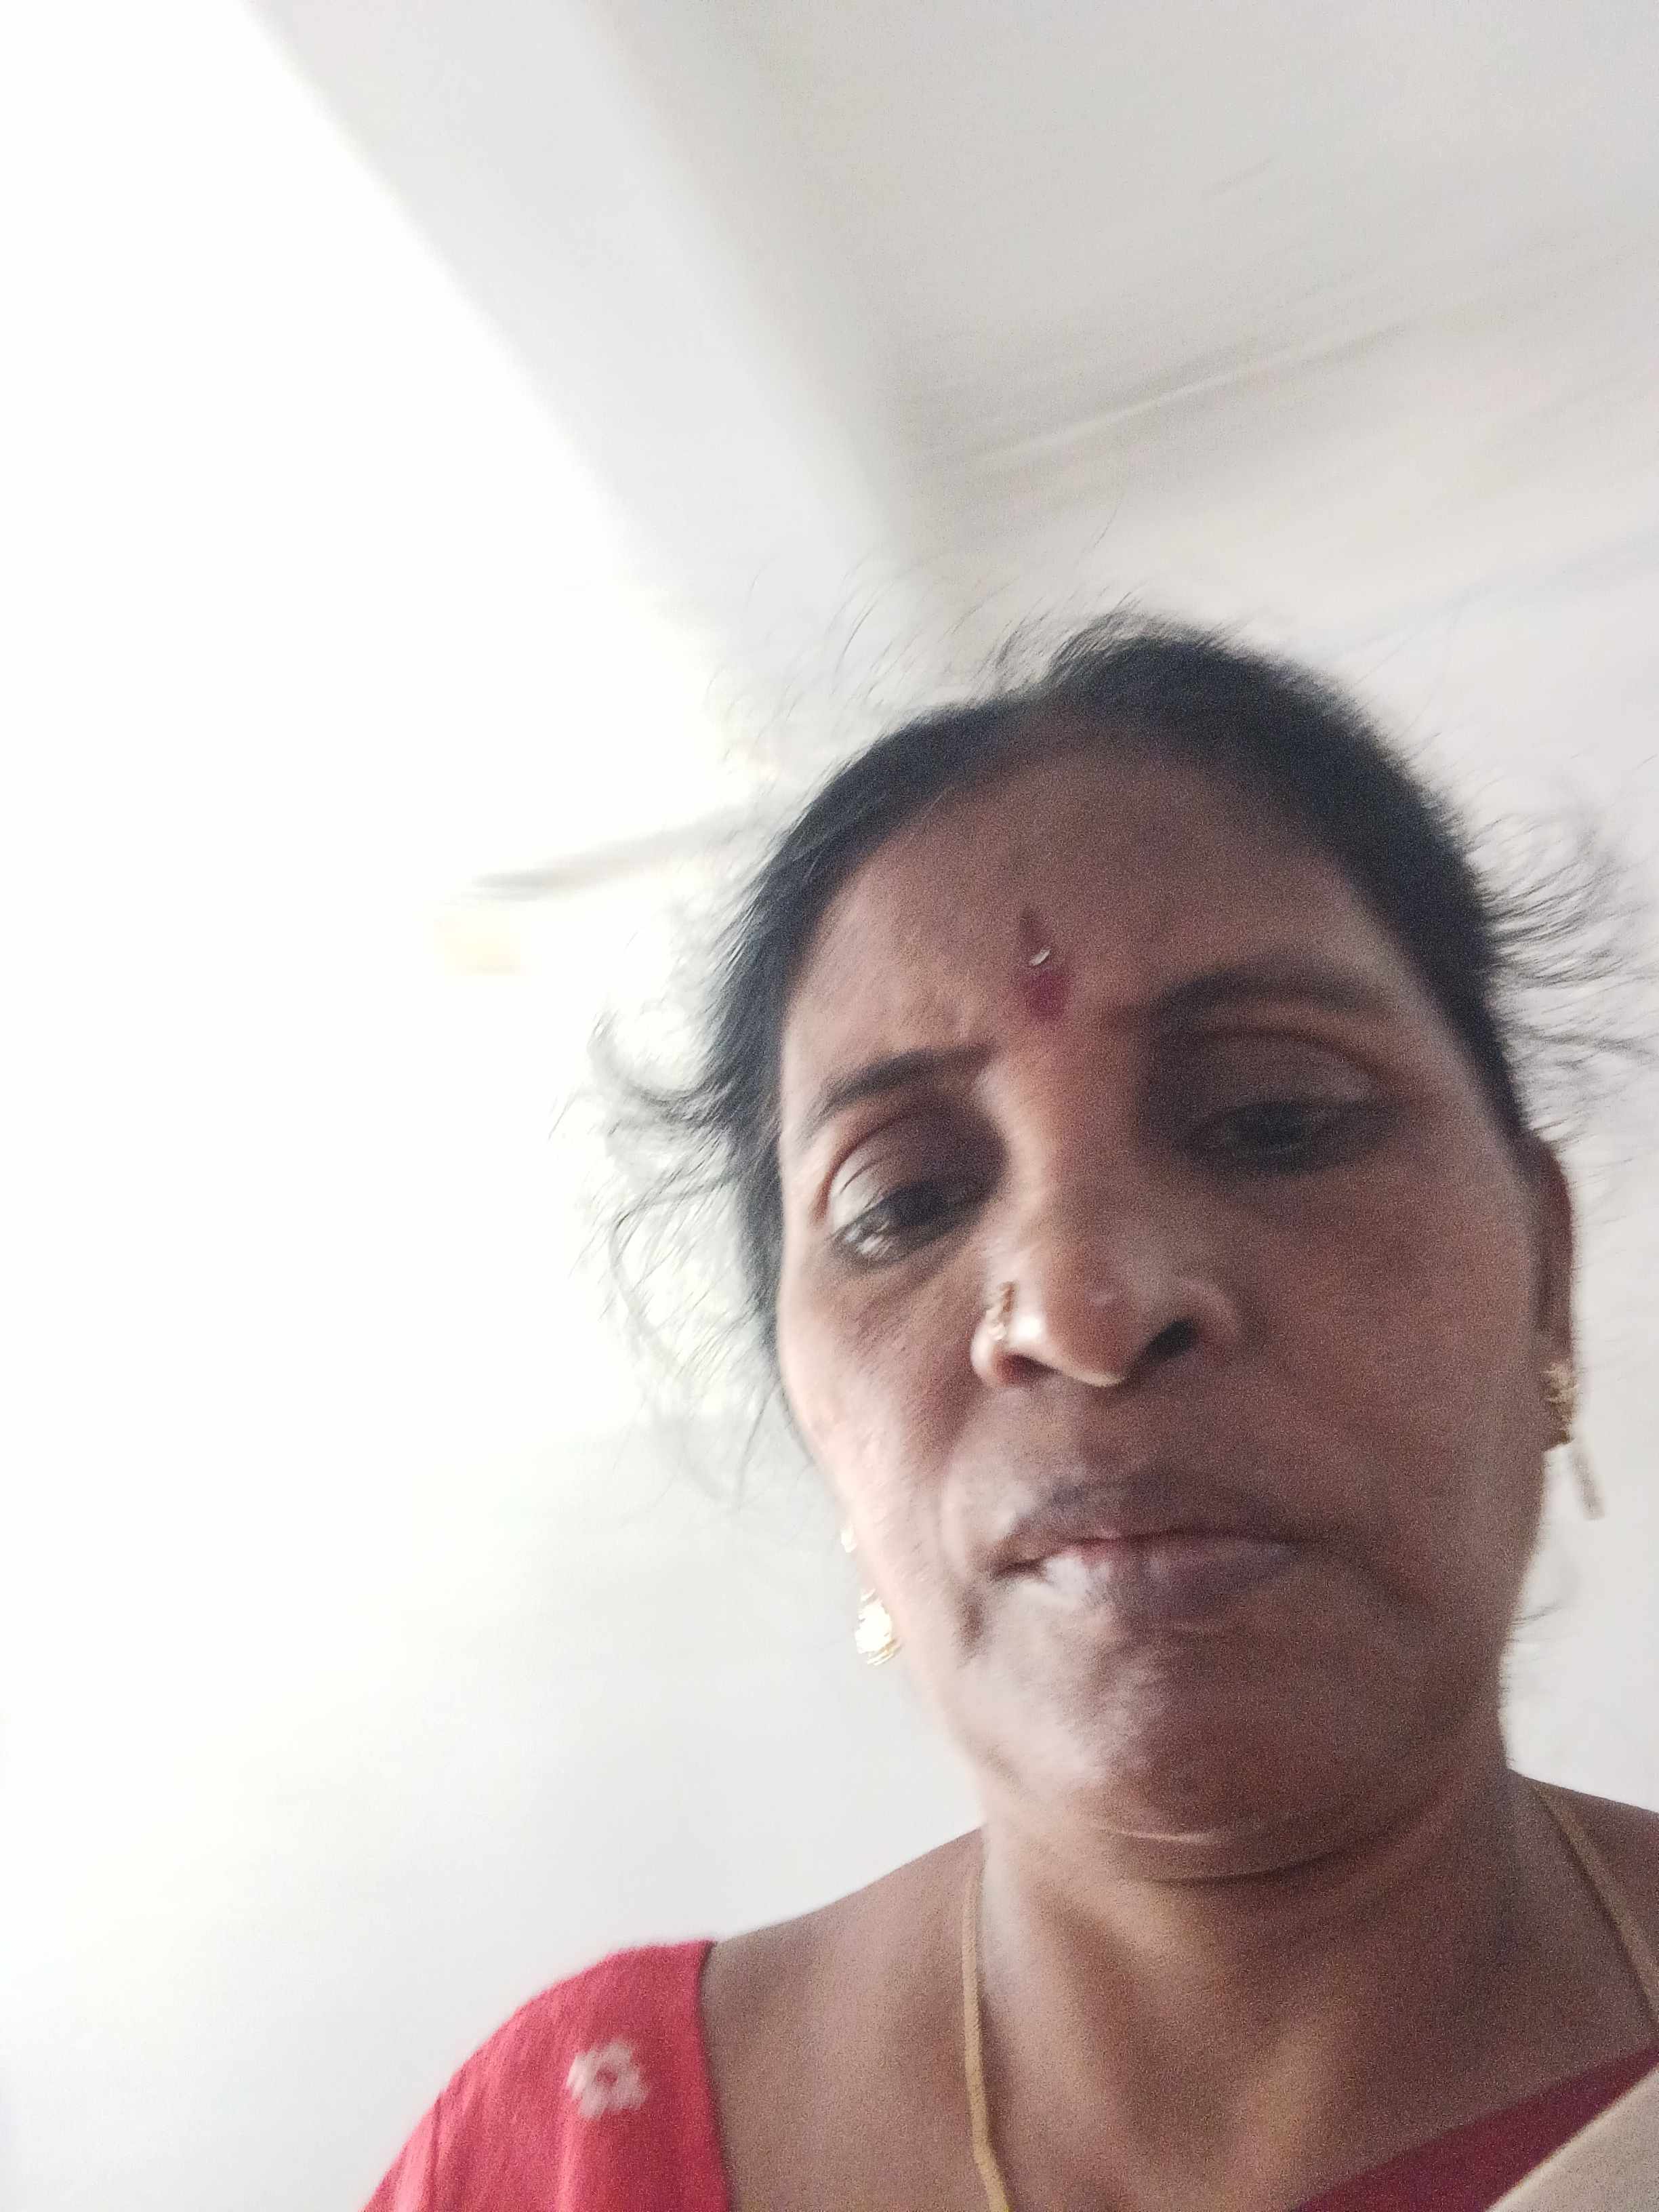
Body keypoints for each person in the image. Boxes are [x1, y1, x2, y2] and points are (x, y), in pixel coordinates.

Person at [366, 619, 1659, 2210]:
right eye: (904, 1203)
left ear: (1545, 1275)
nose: (1086, 1310)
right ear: (822, 1429)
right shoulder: (570, 2157)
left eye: (1274, 1118)